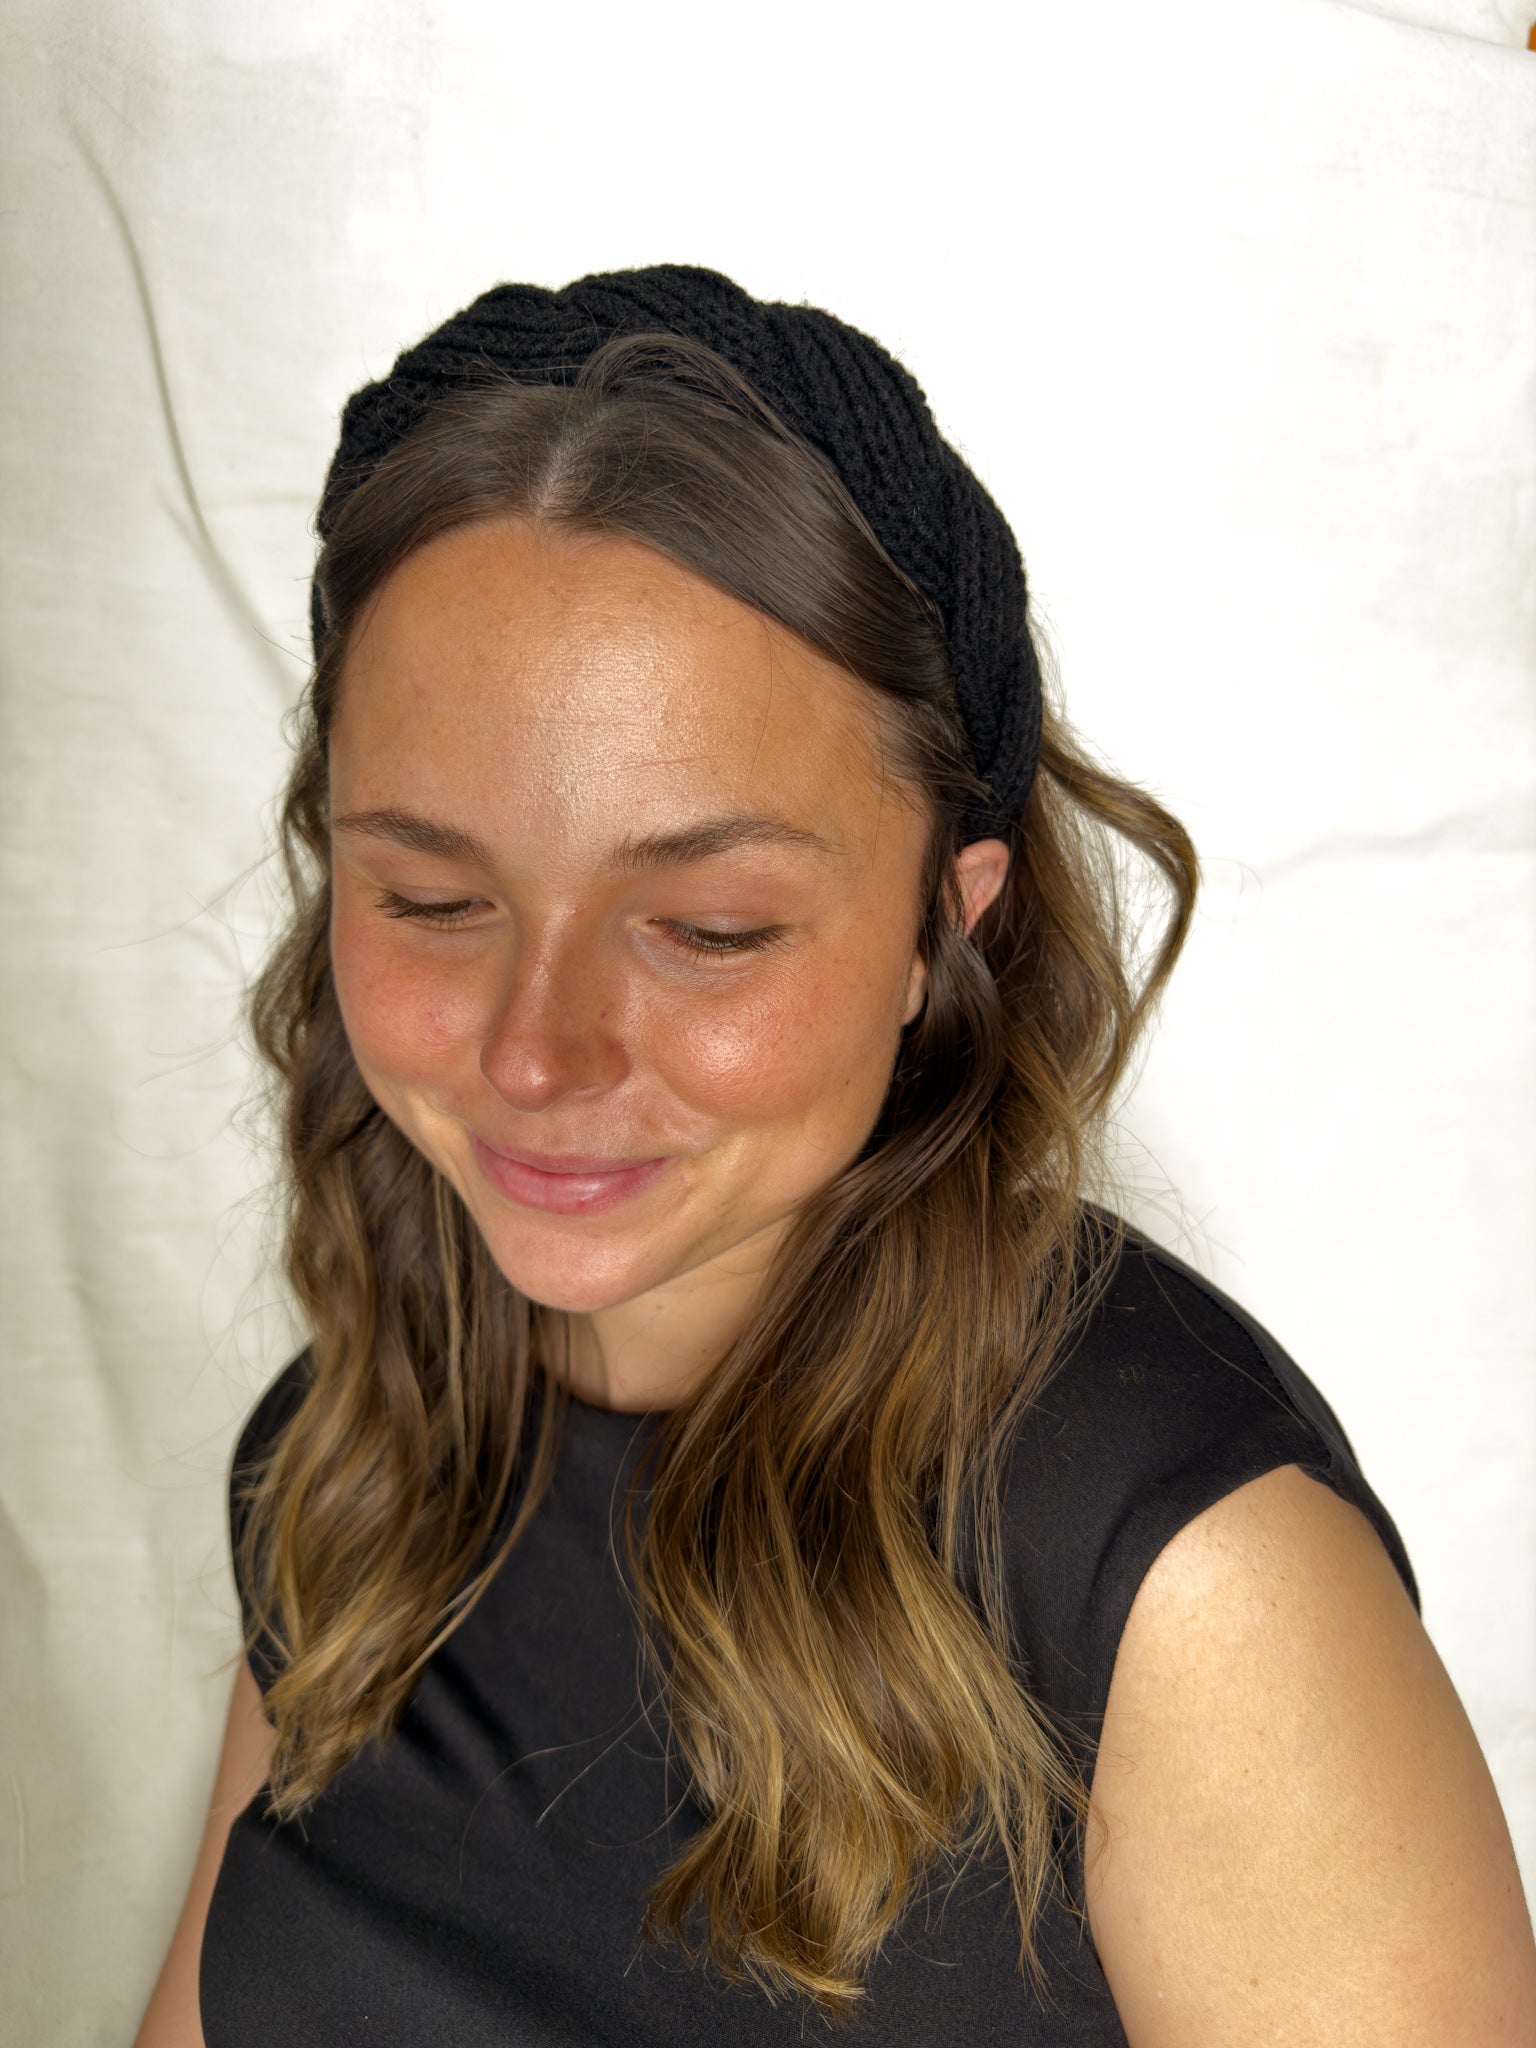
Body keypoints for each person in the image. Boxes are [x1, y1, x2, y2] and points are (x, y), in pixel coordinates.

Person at [135, 266, 1536, 2047]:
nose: (536, 1052)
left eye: (708, 929)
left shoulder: (1183, 1586)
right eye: (430, 898)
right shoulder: (346, 1468)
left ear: (945, 923)